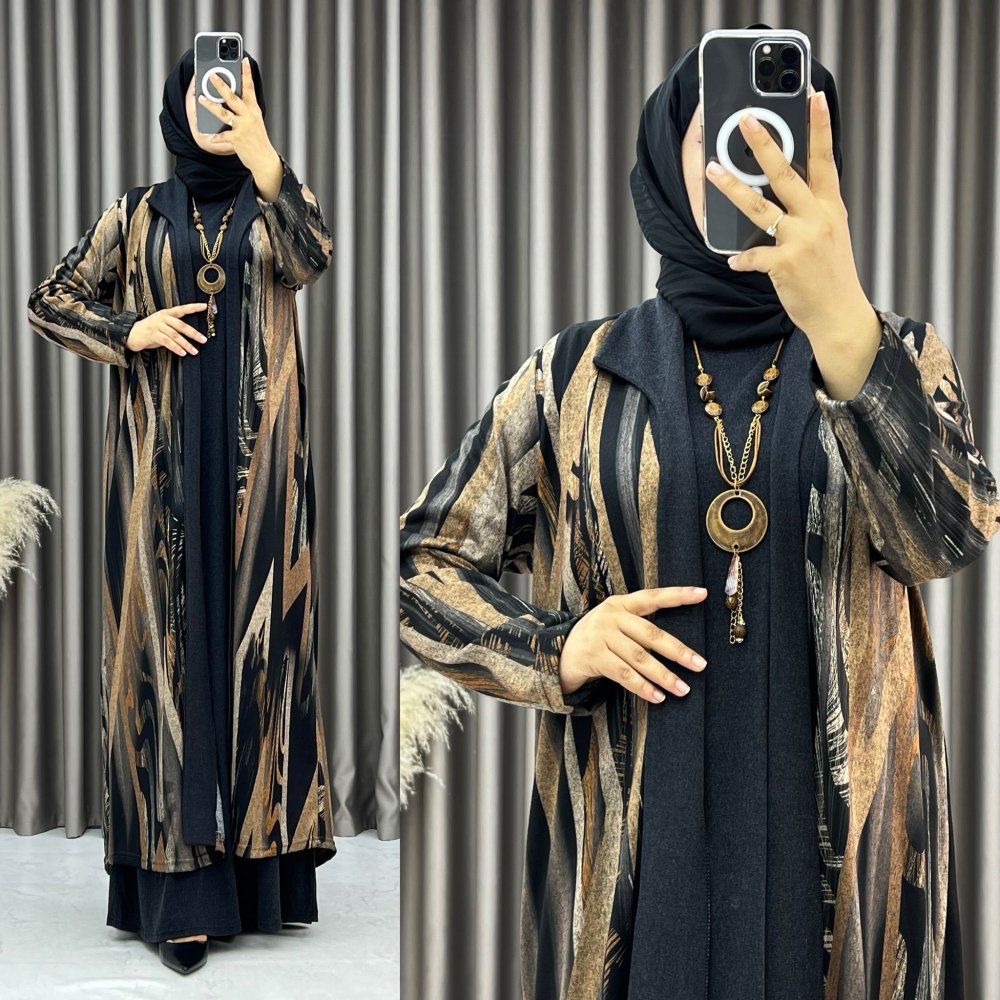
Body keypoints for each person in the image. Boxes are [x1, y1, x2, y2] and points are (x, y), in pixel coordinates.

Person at [398, 35, 1000, 1000]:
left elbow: (948, 538)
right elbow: (420, 566)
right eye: (725, 131)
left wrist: (843, 323)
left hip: (842, 872)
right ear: (666, 154)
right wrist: (556, 648)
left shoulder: (900, 353)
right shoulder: (573, 375)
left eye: (782, 131)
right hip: (636, 863)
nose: (755, 153)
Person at [27, 48, 336, 975]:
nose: (221, 101)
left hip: (259, 483)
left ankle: (258, 884)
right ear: (176, 102)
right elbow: (50, 301)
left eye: (238, 90)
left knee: (256, 663)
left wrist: (266, 156)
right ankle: (179, 899)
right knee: (164, 669)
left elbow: (313, 259)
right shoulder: (135, 214)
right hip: (156, 481)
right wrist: (131, 330)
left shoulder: (274, 207)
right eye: (207, 88)